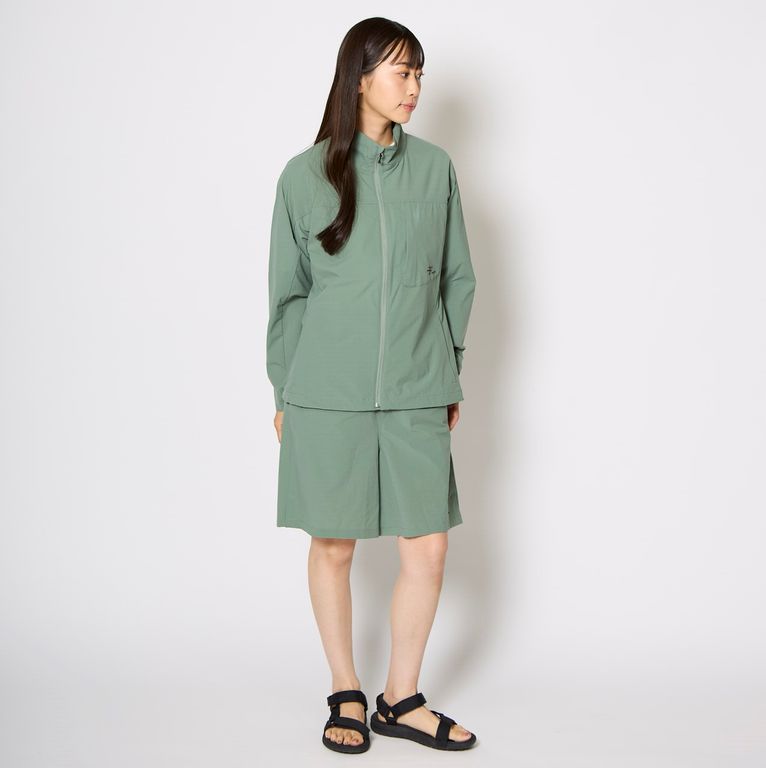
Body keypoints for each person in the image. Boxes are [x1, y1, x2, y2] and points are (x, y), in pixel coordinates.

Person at [266, 17, 478, 753]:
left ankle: (401, 697)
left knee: (428, 550)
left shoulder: (435, 170)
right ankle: (346, 690)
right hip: (326, 394)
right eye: (401, 71)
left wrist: (445, 370)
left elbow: (457, 277)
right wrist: (285, 392)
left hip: (417, 388)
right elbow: (288, 297)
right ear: (359, 78)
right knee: (333, 547)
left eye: (419, 73)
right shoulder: (304, 176)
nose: (415, 86)